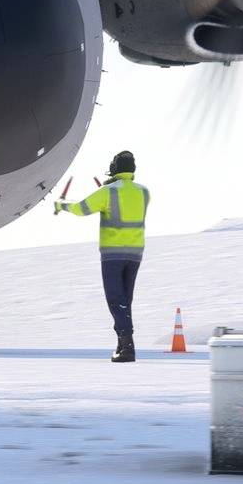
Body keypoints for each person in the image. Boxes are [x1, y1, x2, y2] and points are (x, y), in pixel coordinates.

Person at [56, 149, 150, 361]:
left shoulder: (109, 192)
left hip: (113, 254)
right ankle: (123, 344)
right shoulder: (144, 192)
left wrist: (62, 206)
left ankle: (127, 348)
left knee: (116, 300)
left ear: (114, 169)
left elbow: (81, 209)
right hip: (135, 254)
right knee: (125, 300)